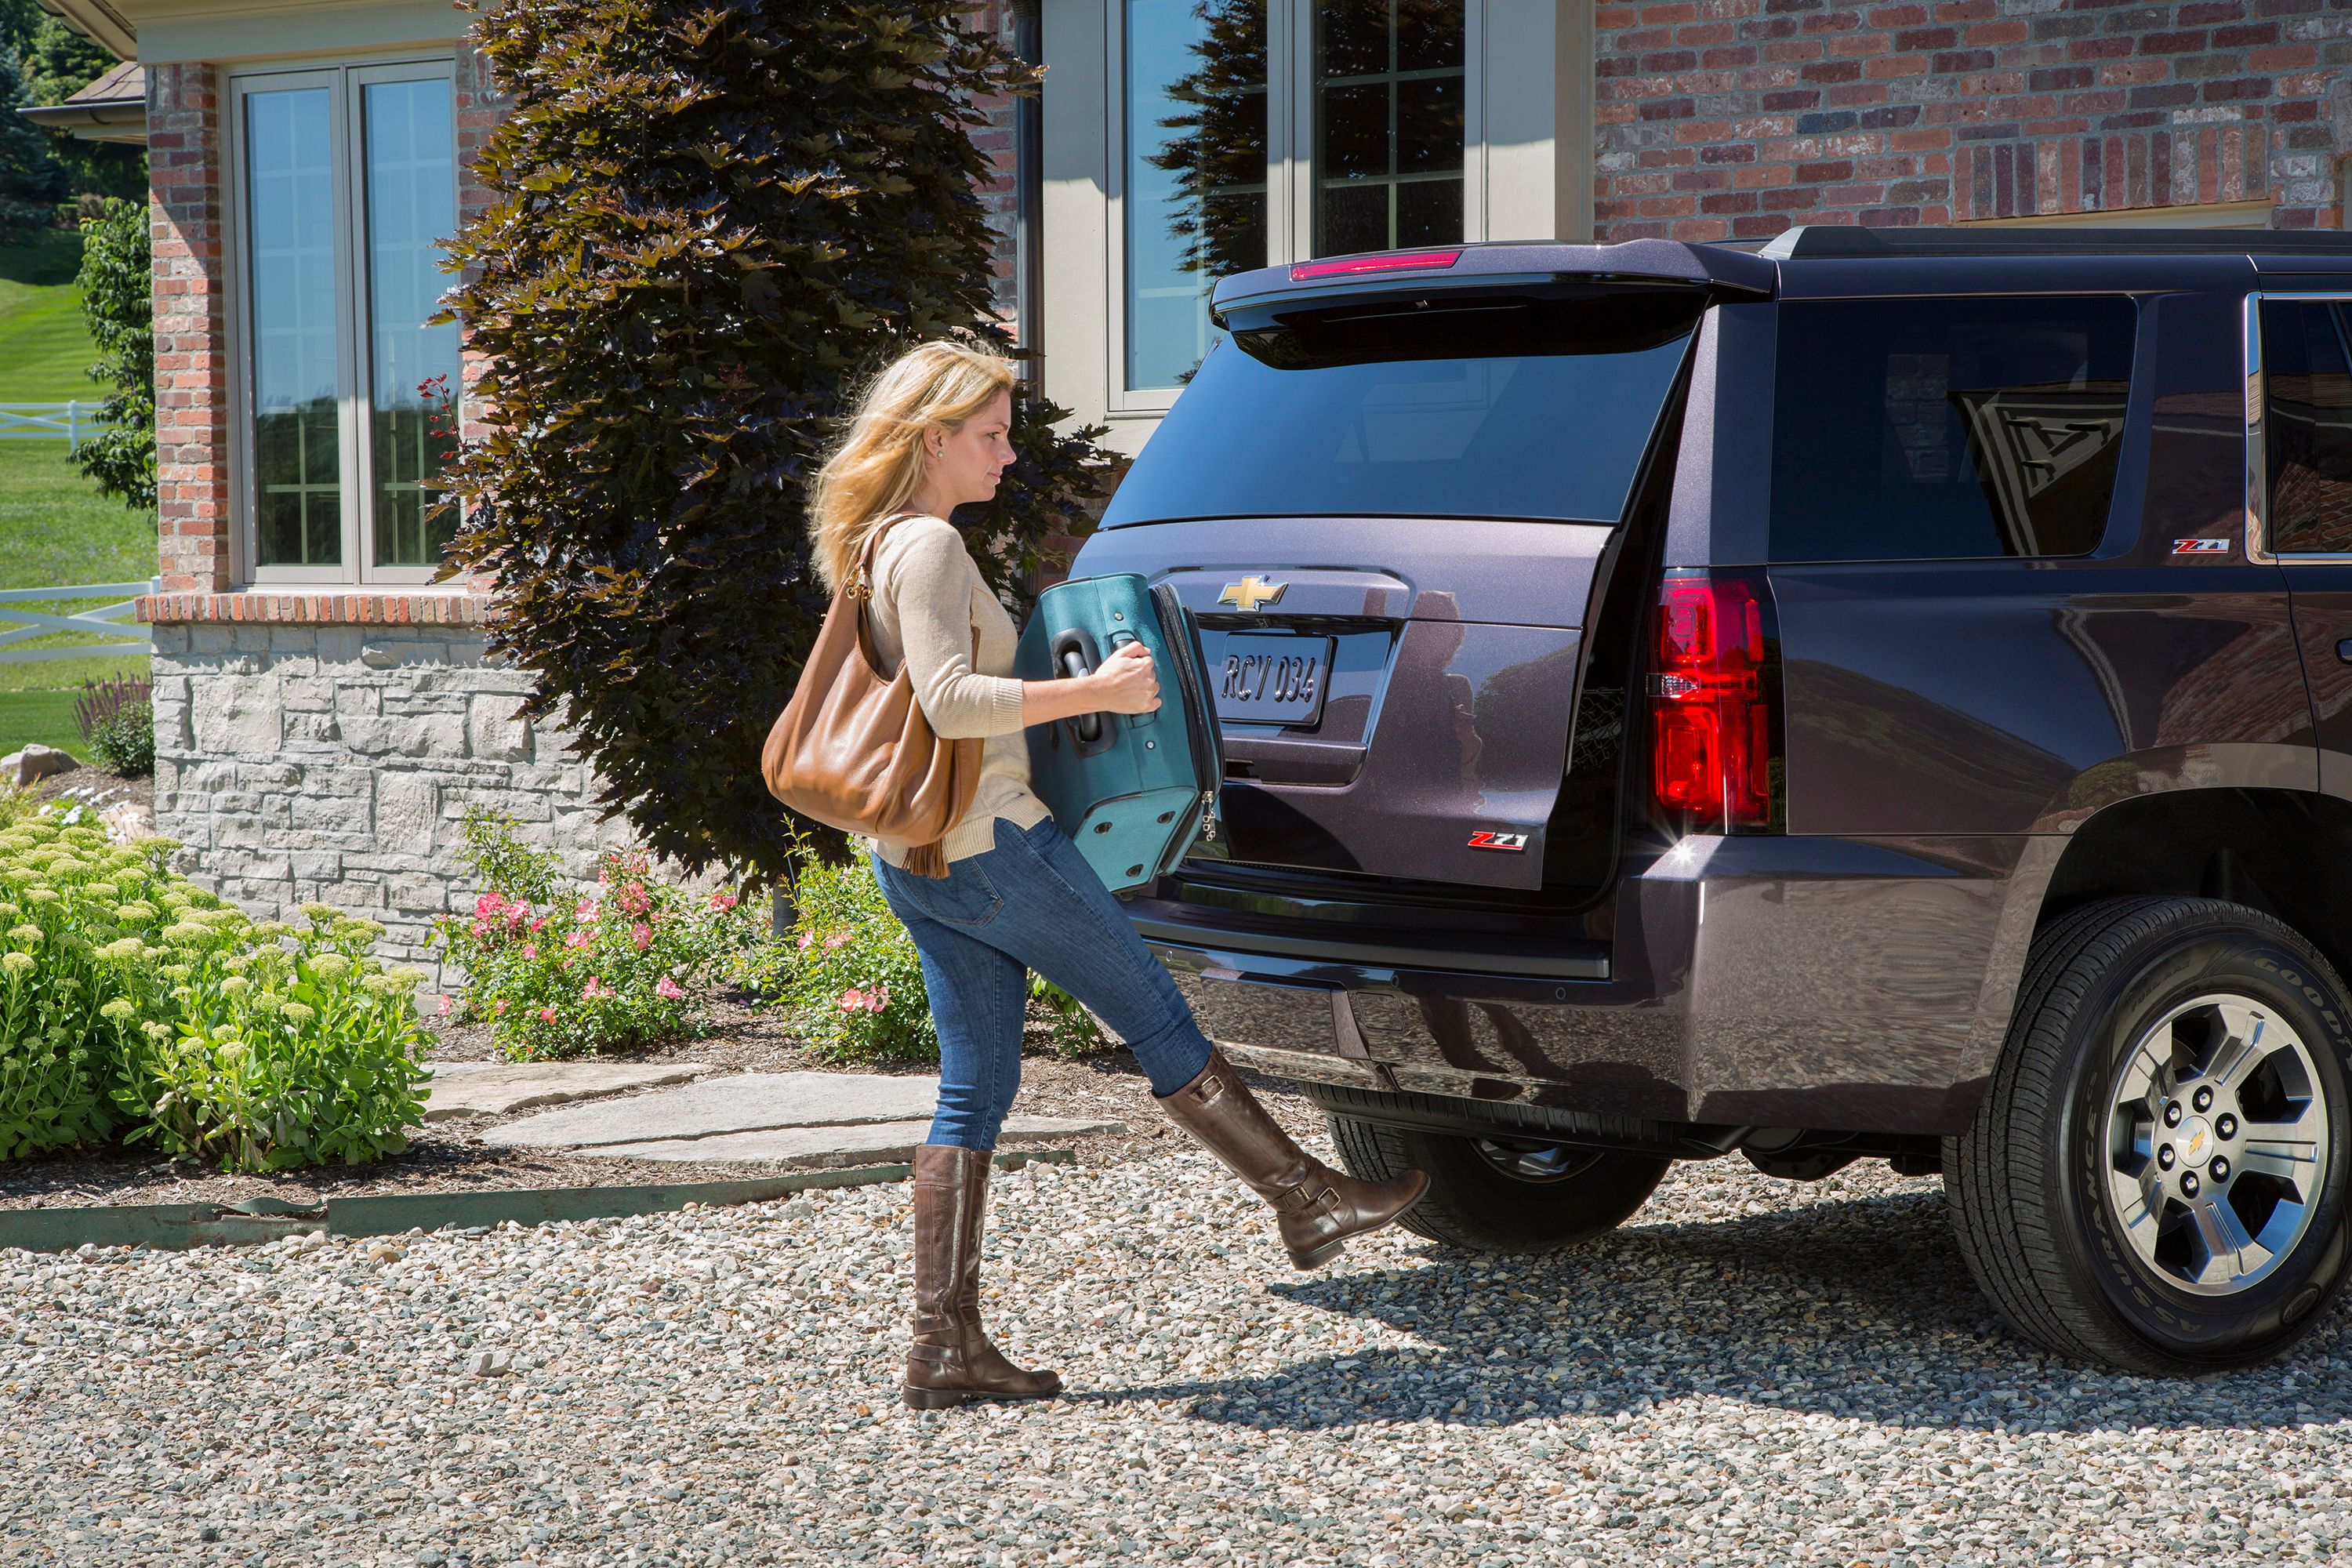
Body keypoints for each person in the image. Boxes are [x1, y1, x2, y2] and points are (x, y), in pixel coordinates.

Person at [804, 342, 1428, 1410]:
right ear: (934, 438)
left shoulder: (876, 544)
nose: (1006, 454)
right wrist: (1106, 691)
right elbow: (950, 705)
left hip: (924, 858)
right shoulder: (929, 547)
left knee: (977, 1086)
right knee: (1156, 1016)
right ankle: (1307, 1200)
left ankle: (942, 1347)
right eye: (991, 435)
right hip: (994, 846)